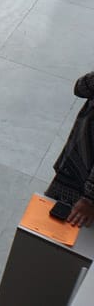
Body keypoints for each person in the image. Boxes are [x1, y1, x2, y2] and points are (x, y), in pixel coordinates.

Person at [45, 71, 94, 227]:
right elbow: (80, 88)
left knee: (60, 236)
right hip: (77, 166)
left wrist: (89, 198)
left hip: (85, 189)